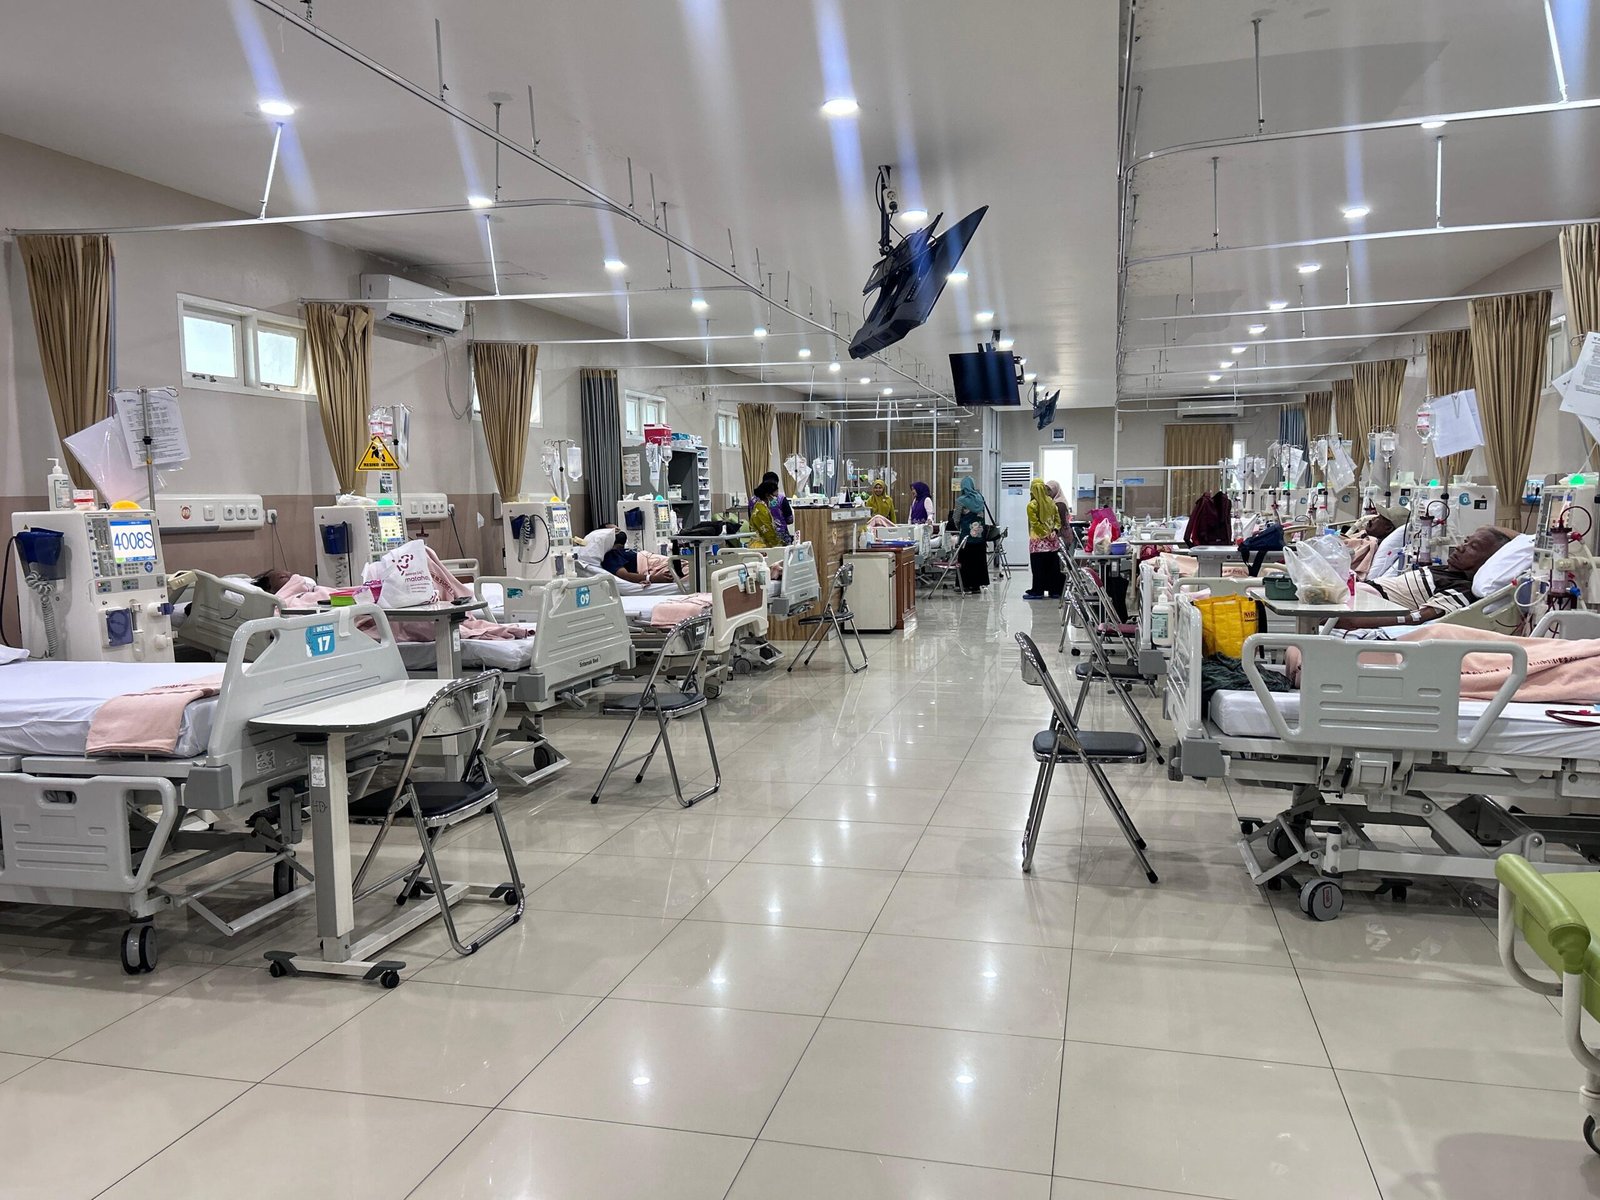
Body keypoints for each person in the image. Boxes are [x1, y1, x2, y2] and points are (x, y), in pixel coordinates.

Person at [1333, 526, 1513, 633]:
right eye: (1466, 541)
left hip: (1367, 603)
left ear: (1489, 561)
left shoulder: (1461, 588)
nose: (1460, 547)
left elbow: (1417, 618)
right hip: (1359, 593)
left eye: (1473, 547)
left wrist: (1352, 621)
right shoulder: (1446, 570)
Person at [1023, 478, 1065, 600]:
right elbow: (1057, 520)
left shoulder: (1032, 505)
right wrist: (1054, 531)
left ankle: (1038, 591)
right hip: (1053, 541)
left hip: (1038, 542)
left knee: (1038, 567)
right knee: (1053, 567)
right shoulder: (1051, 502)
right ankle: (1054, 591)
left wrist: (1044, 535)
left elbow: (1035, 523)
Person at [599, 529, 680, 584]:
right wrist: (653, 578)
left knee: (683, 564)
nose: (617, 529)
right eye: (613, 530)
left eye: (617, 528)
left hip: (653, 559)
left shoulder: (624, 550)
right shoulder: (610, 556)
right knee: (683, 570)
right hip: (649, 565)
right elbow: (625, 576)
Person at [953, 475, 990, 593]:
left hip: (966, 537)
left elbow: (956, 518)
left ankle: (964, 585)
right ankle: (976, 586)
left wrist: (960, 527)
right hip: (980, 536)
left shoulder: (961, 500)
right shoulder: (980, 498)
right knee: (978, 561)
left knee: (965, 561)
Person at [751, 477, 793, 545]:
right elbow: (768, 533)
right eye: (775, 496)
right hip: (762, 545)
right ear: (767, 495)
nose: (776, 499)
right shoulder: (760, 511)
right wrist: (780, 545)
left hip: (768, 543)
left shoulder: (764, 508)